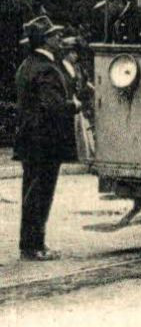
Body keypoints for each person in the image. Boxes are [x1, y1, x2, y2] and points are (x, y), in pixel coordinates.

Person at [14, 15, 80, 261]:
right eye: (55, 35)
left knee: (31, 192)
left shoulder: (27, 65)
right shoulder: (46, 68)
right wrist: (73, 105)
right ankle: (34, 246)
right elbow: (52, 107)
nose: (60, 38)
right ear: (46, 40)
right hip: (45, 141)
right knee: (41, 193)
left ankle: (30, 244)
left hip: (30, 139)